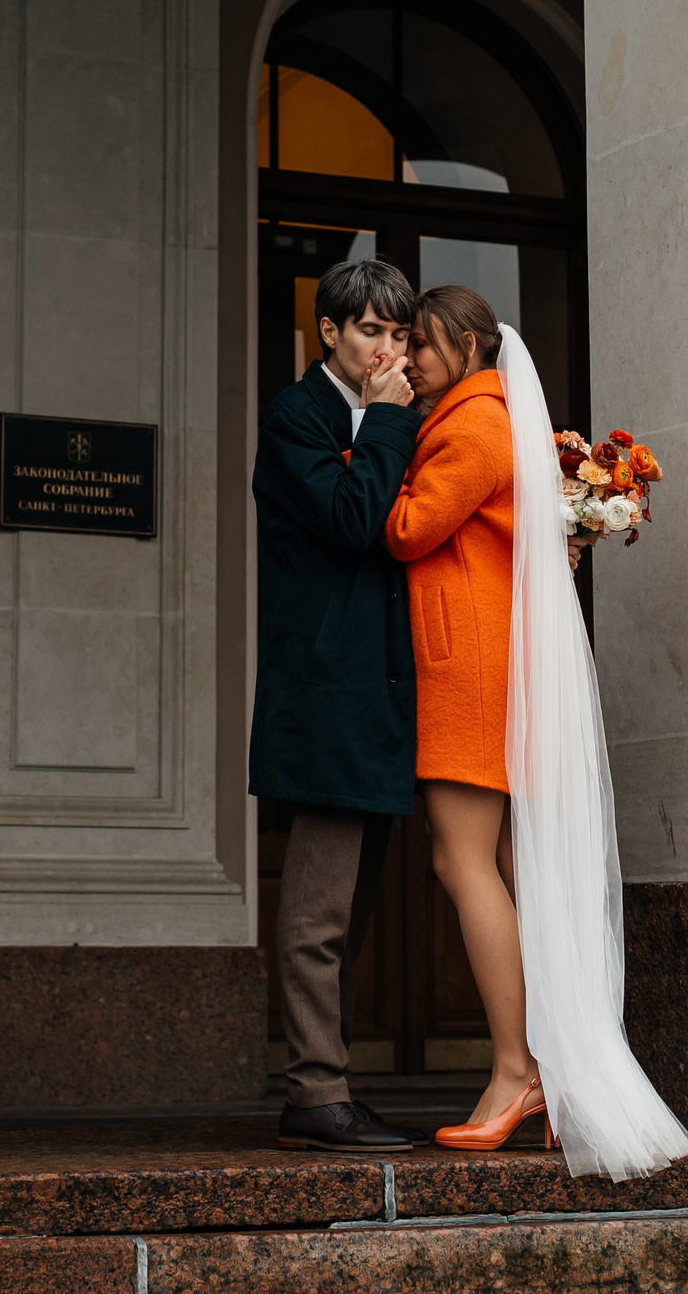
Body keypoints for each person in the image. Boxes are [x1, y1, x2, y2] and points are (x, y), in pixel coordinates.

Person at [384, 283, 688, 1180]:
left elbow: (408, 527)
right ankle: (549, 1070)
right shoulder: (493, 420)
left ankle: (517, 1071)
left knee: (461, 861)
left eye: (425, 344)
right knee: (503, 861)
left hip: (469, 670)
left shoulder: (470, 426)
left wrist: (386, 425)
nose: (410, 358)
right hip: (487, 661)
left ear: (469, 348)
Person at [249, 257, 424, 1153]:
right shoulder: (297, 416)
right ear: (329, 331)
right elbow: (355, 519)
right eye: (370, 330)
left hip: (381, 696)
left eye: (400, 334)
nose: (388, 350)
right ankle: (315, 1094)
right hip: (324, 696)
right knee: (318, 912)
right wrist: (390, 420)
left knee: (350, 914)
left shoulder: (397, 418)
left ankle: (331, 1087)